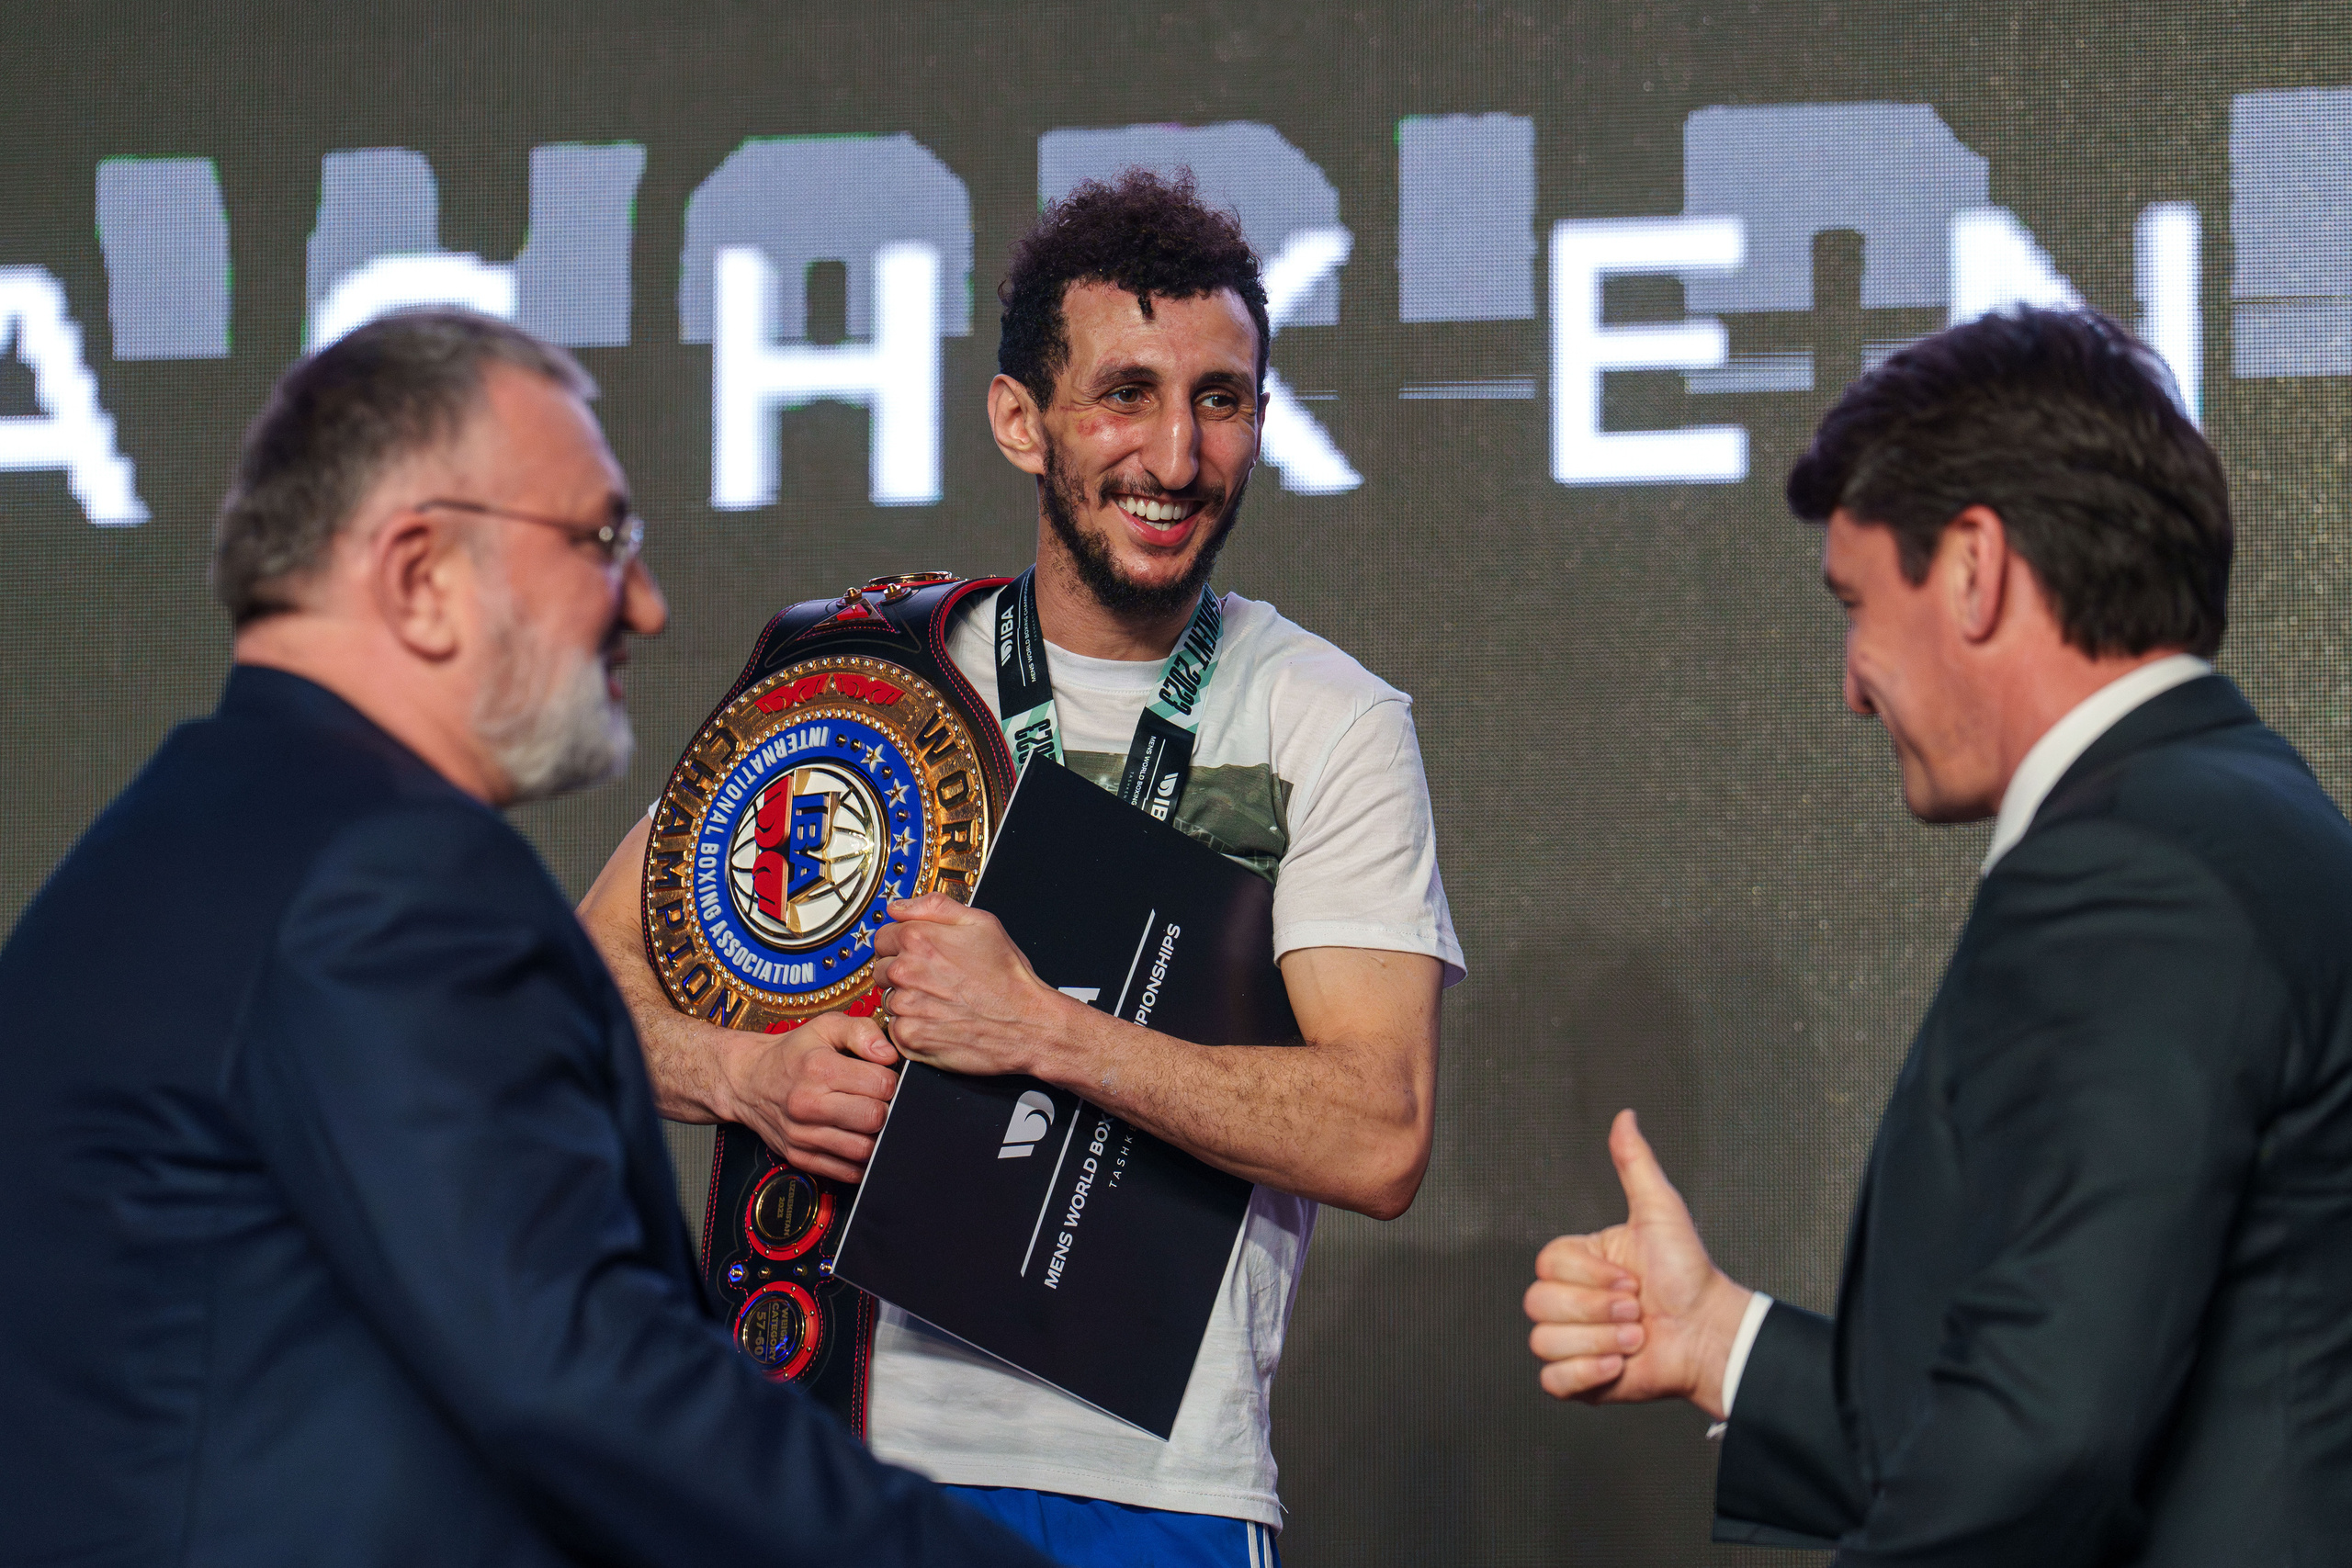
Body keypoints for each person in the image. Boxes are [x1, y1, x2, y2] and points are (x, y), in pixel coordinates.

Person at [0, 309, 1057, 1568]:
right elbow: (584, 1379)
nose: (649, 607)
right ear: (420, 575)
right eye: (603, 538)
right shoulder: (385, 879)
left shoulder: (161, 850)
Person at [578, 170, 1464, 1566]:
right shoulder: (867, 690)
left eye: (1220, 399)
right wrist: (745, 1076)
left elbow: (1379, 1129)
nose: (1174, 455)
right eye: (1126, 394)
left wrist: (1044, 1032)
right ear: (1020, 420)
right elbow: (570, 999)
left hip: (1159, 1492)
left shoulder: (1325, 720)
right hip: (838, 1460)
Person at [1521, 305, 2352, 1562]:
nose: (1853, 683)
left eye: (1855, 603)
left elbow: (2045, 1426)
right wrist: (1718, 1339)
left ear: (1974, 567)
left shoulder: (2135, 869)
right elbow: (2102, 1374)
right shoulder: (2235, 810)